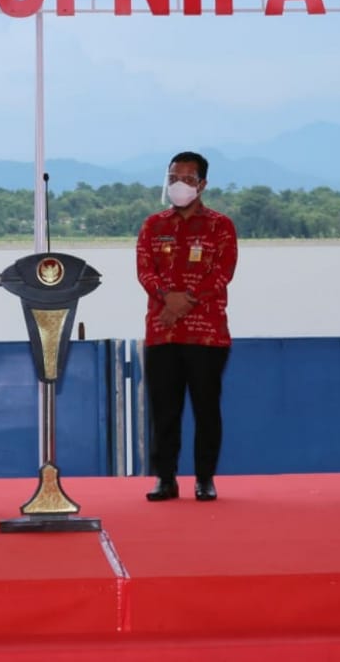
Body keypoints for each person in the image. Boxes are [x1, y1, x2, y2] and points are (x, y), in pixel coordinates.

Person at [136, 151, 238, 502]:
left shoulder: (220, 225)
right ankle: (165, 478)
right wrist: (168, 298)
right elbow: (145, 271)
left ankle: (205, 479)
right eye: (173, 178)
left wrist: (183, 301)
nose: (179, 185)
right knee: (164, 410)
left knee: (206, 409)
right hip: (162, 332)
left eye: (187, 179)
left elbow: (222, 273)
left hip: (207, 334)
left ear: (203, 184)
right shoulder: (154, 225)